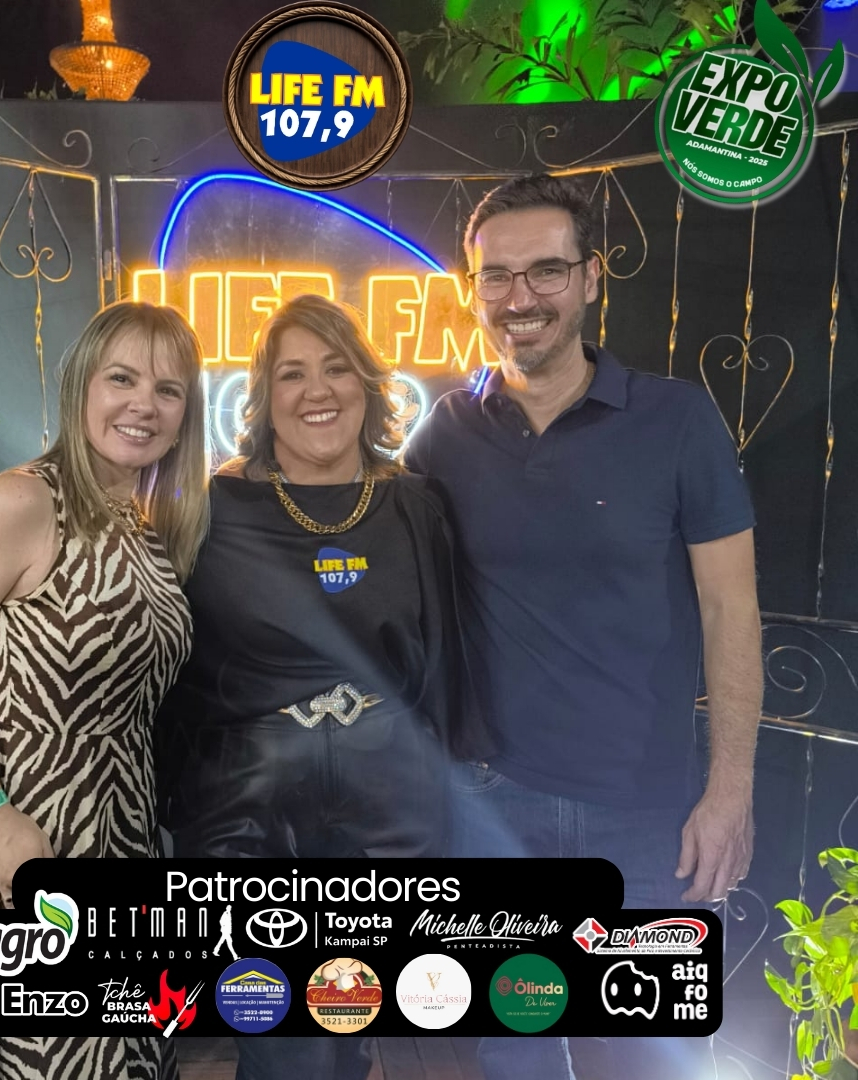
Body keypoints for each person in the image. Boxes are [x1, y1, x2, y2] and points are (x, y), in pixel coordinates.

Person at [404, 174, 763, 1080]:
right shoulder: (445, 433)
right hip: (497, 814)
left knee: (648, 1064)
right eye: (496, 276)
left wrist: (729, 793)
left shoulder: (678, 420)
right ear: (473, 289)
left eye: (546, 271)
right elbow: (354, 529)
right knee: (512, 1063)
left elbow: (731, 611)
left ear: (591, 277)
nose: (519, 297)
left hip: (649, 818)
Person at [0, 301, 209, 1080]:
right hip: (28, 841)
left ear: (185, 416)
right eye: (123, 379)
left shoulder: (142, 525)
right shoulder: (27, 501)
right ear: (81, 387)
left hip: (123, 837)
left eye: (168, 389)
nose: (144, 404)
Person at [156, 293, 466, 1080]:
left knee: (355, 1021)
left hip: (388, 811)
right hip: (247, 813)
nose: (316, 390)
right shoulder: (210, 510)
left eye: (336, 368)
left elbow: (443, 660)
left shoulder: (415, 505)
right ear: (265, 397)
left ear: (366, 384)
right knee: (277, 1036)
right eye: (291, 373)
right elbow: (167, 668)